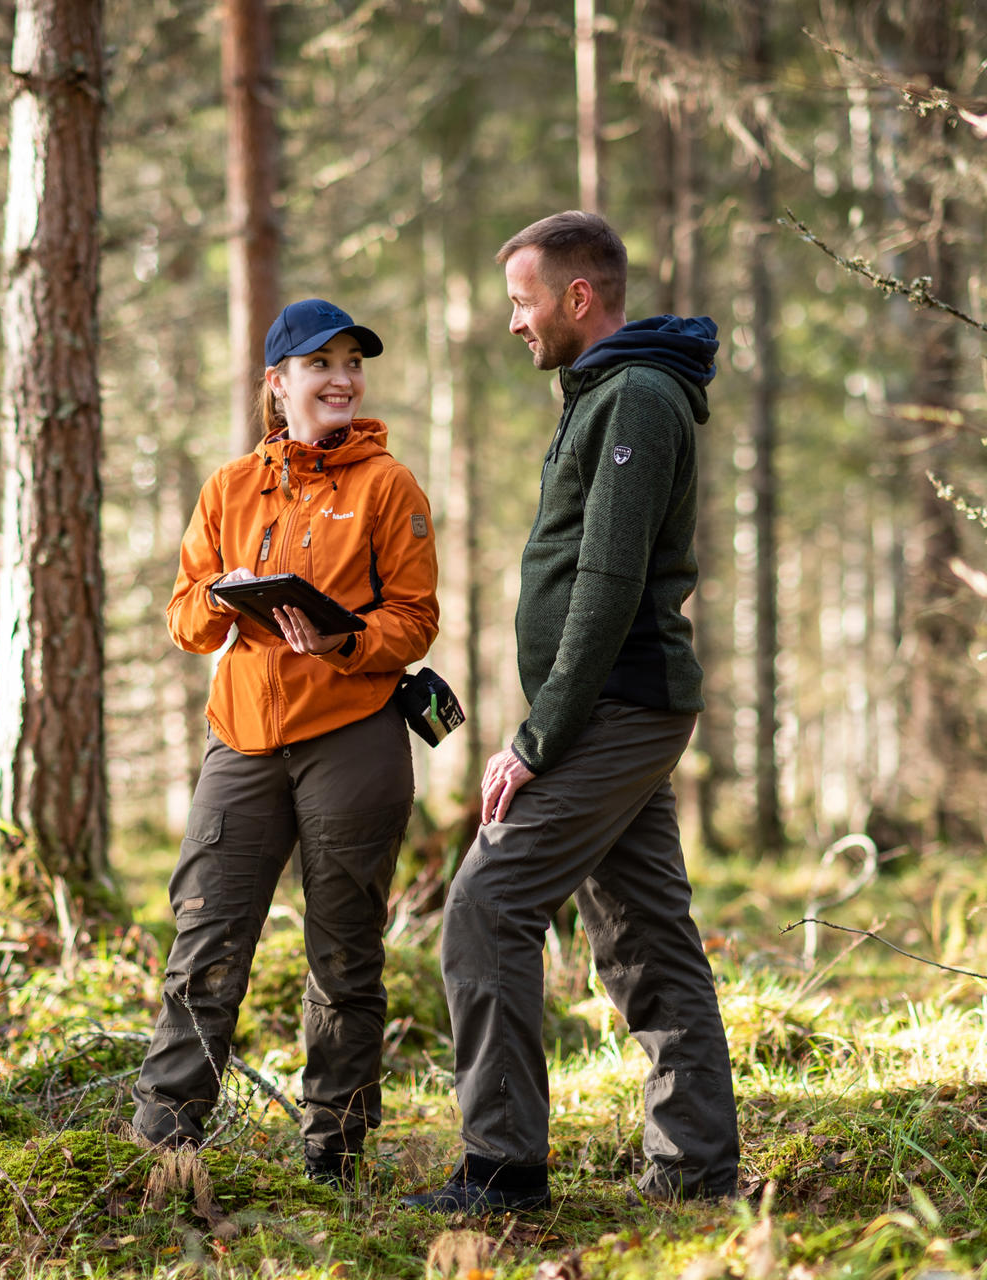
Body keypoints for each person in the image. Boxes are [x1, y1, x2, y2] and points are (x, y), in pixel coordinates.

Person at [403, 212, 739, 1213]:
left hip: (615, 707)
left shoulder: (633, 396)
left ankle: (500, 1168)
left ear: (576, 297)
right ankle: (695, 1170)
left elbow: (605, 579)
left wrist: (535, 738)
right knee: (643, 933)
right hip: (614, 704)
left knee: (486, 903)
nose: (513, 321)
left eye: (522, 300)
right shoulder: (600, 392)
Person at [131, 298, 439, 1189]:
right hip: (242, 737)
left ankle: (334, 1154)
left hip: (353, 733)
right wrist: (224, 598)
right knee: (206, 939)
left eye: (352, 363)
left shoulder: (389, 487)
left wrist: (345, 640)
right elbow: (183, 613)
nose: (341, 378)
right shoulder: (229, 487)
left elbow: (414, 620)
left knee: (344, 951)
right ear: (278, 383)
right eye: (320, 364)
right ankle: (163, 1147)